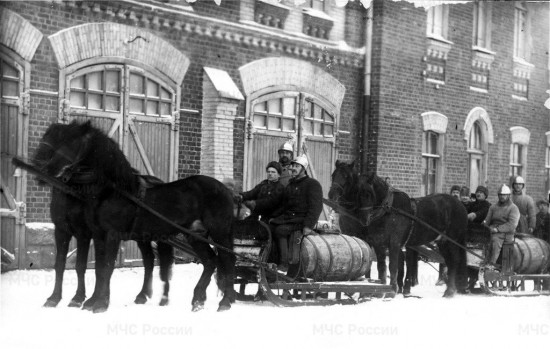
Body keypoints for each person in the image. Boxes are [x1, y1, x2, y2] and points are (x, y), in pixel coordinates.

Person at [269, 154, 323, 271]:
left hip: (301, 220)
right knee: (269, 227)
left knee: (280, 231)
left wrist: (308, 225)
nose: (293, 168)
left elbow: (316, 207)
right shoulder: (291, 184)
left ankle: (285, 264)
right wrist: (273, 217)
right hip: (289, 218)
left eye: (297, 166)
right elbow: (284, 205)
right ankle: (272, 260)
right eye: (292, 165)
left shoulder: (312, 184)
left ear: (303, 169)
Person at [483, 184, 520, 268]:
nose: (502, 196)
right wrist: (484, 225)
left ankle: (491, 263)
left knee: (495, 240)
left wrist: (498, 229)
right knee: (482, 238)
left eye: (504, 195)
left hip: (506, 233)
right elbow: (487, 220)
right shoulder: (493, 207)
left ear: (508, 196)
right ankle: (481, 261)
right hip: (492, 230)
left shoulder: (513, 208)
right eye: (500, 195)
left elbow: (512, 224)